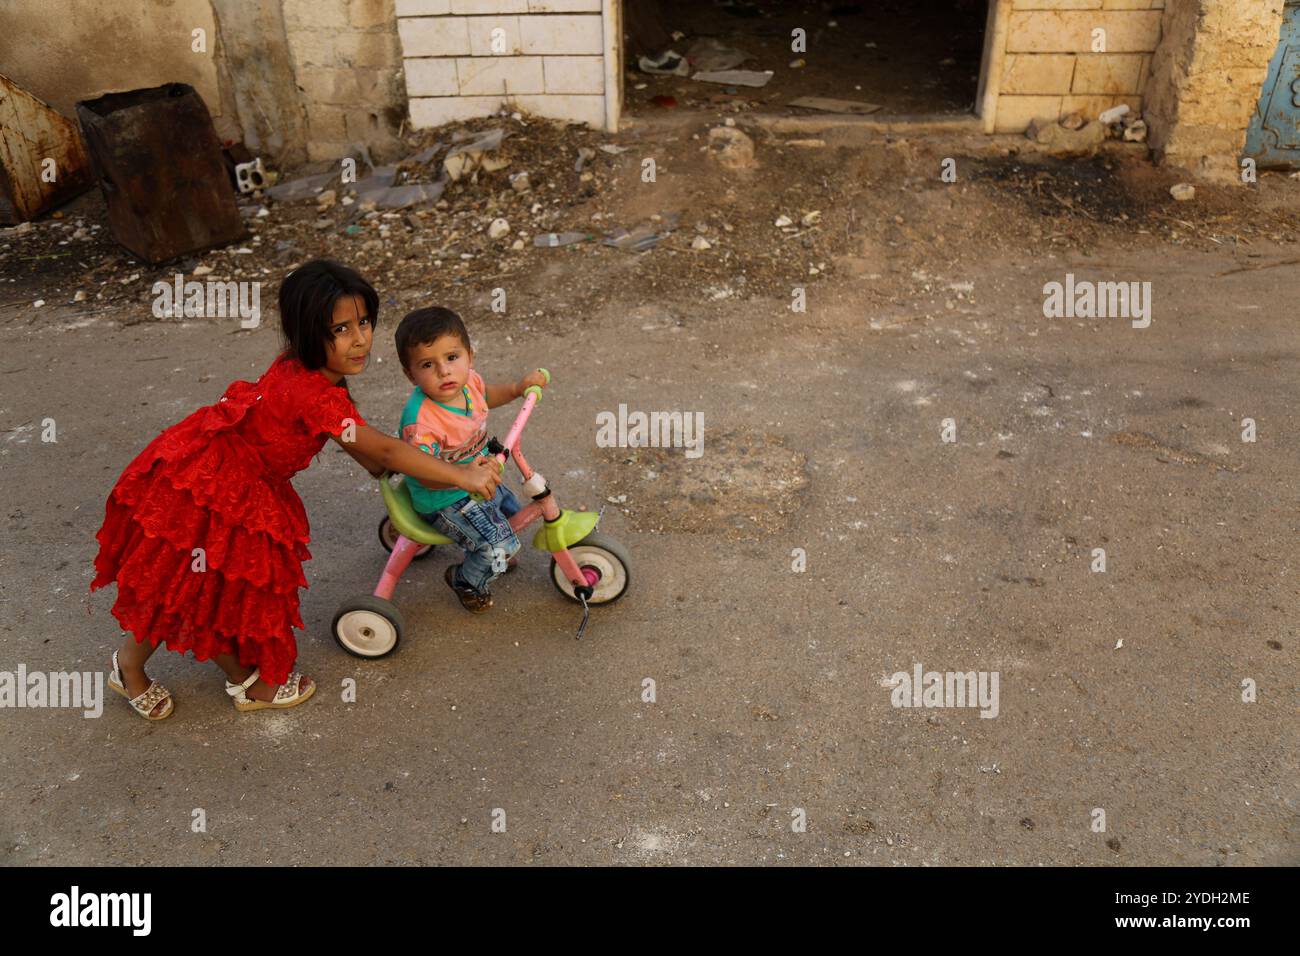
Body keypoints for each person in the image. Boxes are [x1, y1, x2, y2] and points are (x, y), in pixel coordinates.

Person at [91, 260, 501, 720]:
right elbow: (381, 450)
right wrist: (461, 475)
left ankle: (237, 674)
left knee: (204, 582)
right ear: (307, 333)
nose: (361, 339)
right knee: (188, 585)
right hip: (216, 489)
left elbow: (359, 443)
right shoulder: (313, 394)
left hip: (219, 471)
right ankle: (135, 668)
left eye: (363, 322)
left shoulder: (308, 371)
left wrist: (391, 470)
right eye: (340, 329)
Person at [394, 307, 547, 613]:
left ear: (469, 355)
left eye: (452, 358)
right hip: (444, 499)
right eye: (427, 364)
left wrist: (518, 389)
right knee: (498, 546)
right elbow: (423, 474)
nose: (444, 371)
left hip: (478, 477)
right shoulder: (422, 424)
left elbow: (486, 394)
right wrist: (461, 474)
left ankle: (495, 552)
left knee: (513, 512)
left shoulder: (468, 384)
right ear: (410, 374)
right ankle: (465, 579)